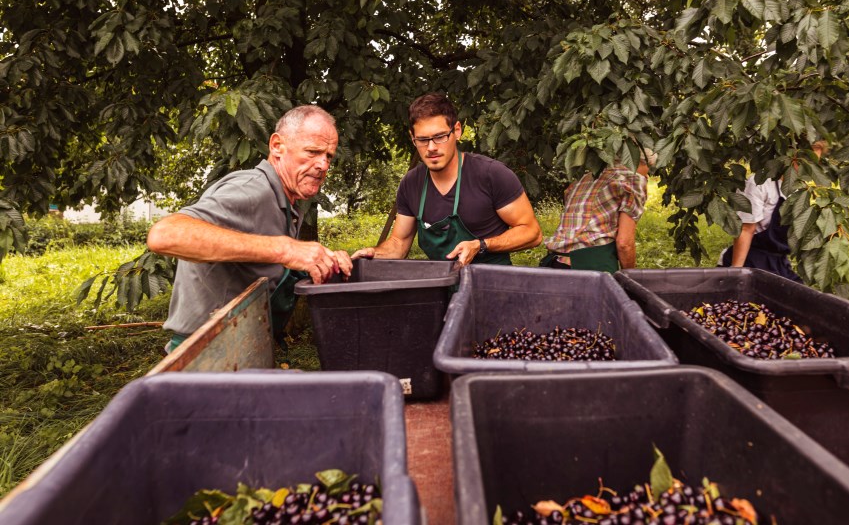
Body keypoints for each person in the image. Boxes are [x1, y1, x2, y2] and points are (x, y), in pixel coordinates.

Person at [147, 105, 353, 353]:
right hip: (206, 354)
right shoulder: (252, 188)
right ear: (277, 146)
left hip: (242, 347)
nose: (323, 165)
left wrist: (326, 261)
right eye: (312, 152)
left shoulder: (285, 202)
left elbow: (264, 258)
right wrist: (286, 249)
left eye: (329, 156)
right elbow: (165, 235)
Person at [352, 92, 543, 265]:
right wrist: (373, 253)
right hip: (443, 289)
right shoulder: (411, 184)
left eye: (440, 136)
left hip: (493, 288)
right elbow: (399, 242)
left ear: (457, 131)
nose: (432, 147)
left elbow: (532, 233)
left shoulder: (491, 174)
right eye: (423, 140)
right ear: (413, 138)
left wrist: (482, 245)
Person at [717, 141, 829, 282]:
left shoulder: (799, 190)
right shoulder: (760, 183)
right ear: (789, 156)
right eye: (806, 162)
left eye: (814, 163)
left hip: (779, 263)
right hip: (751, 259)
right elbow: (746, 230)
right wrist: (736, 272)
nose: (809, 168)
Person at [541, 150, 654, 273]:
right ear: (640, 162)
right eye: (649, 169)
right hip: (591, 268)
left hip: (554, 263)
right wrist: (631, 278)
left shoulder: (585, 178)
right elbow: (624, 244)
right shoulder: (633, 180)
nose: (647, 176)